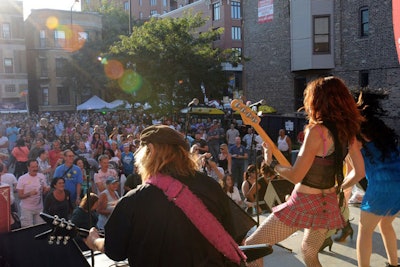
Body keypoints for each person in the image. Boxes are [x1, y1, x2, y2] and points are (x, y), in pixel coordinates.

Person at [244, 76, 365, 267]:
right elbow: (359, 172)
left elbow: (296, 175)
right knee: (309, 252)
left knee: (251, 246)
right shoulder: (347, 131)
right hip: (327, 204)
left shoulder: (317, 131)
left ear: (318, 100)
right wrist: (338, 188)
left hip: (302, 204)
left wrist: (271, 165)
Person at [84, 125, 243, 266]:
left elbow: (115, 251)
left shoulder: (134, 200)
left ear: (151, 150)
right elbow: (233, 235)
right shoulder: (211, 186)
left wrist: (94, 240)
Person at [341, 92, 400, 267]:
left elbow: (358, 173)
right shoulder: (379, 129)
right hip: (399, 183)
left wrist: (339, 187)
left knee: (365, 231)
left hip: (381, 188)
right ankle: (394, 264)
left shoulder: (353, 136)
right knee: (385, 223)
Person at [16, 159, 51, 227]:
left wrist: (46, 190)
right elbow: (20, 196)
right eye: (33, 167)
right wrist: (29, 193)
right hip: (26, 208)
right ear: (28, 167)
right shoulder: (22, 178)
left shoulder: (41, 176)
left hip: (39, 207)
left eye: (36, 167)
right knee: (27, 228)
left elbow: (43, 192)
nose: (35, 169)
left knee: (40, 227)